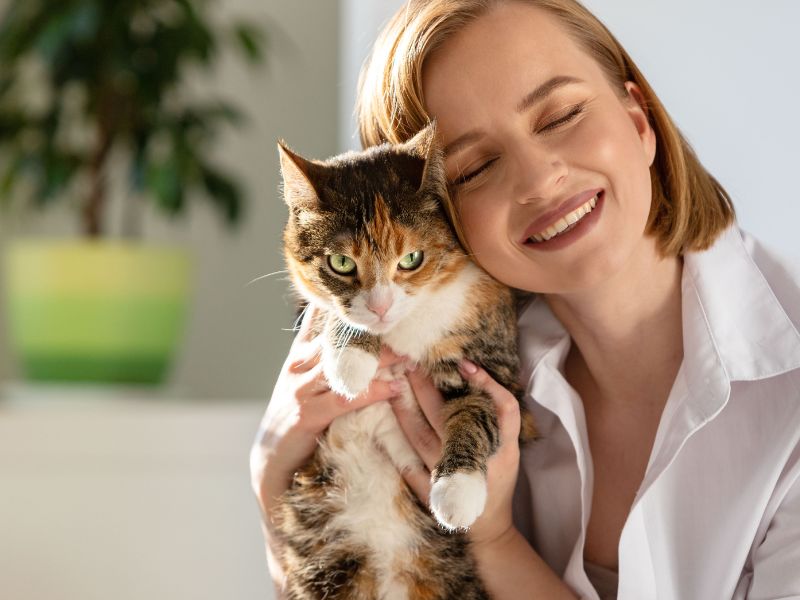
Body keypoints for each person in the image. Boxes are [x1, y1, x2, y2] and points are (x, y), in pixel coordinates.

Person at [250, 1, 800, 598]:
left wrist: (494, 542)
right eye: (476, 167)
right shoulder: (441, 371)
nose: (540, 180)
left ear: (639, 121)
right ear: (432, 220)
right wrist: (273, 486)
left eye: (561, 115)